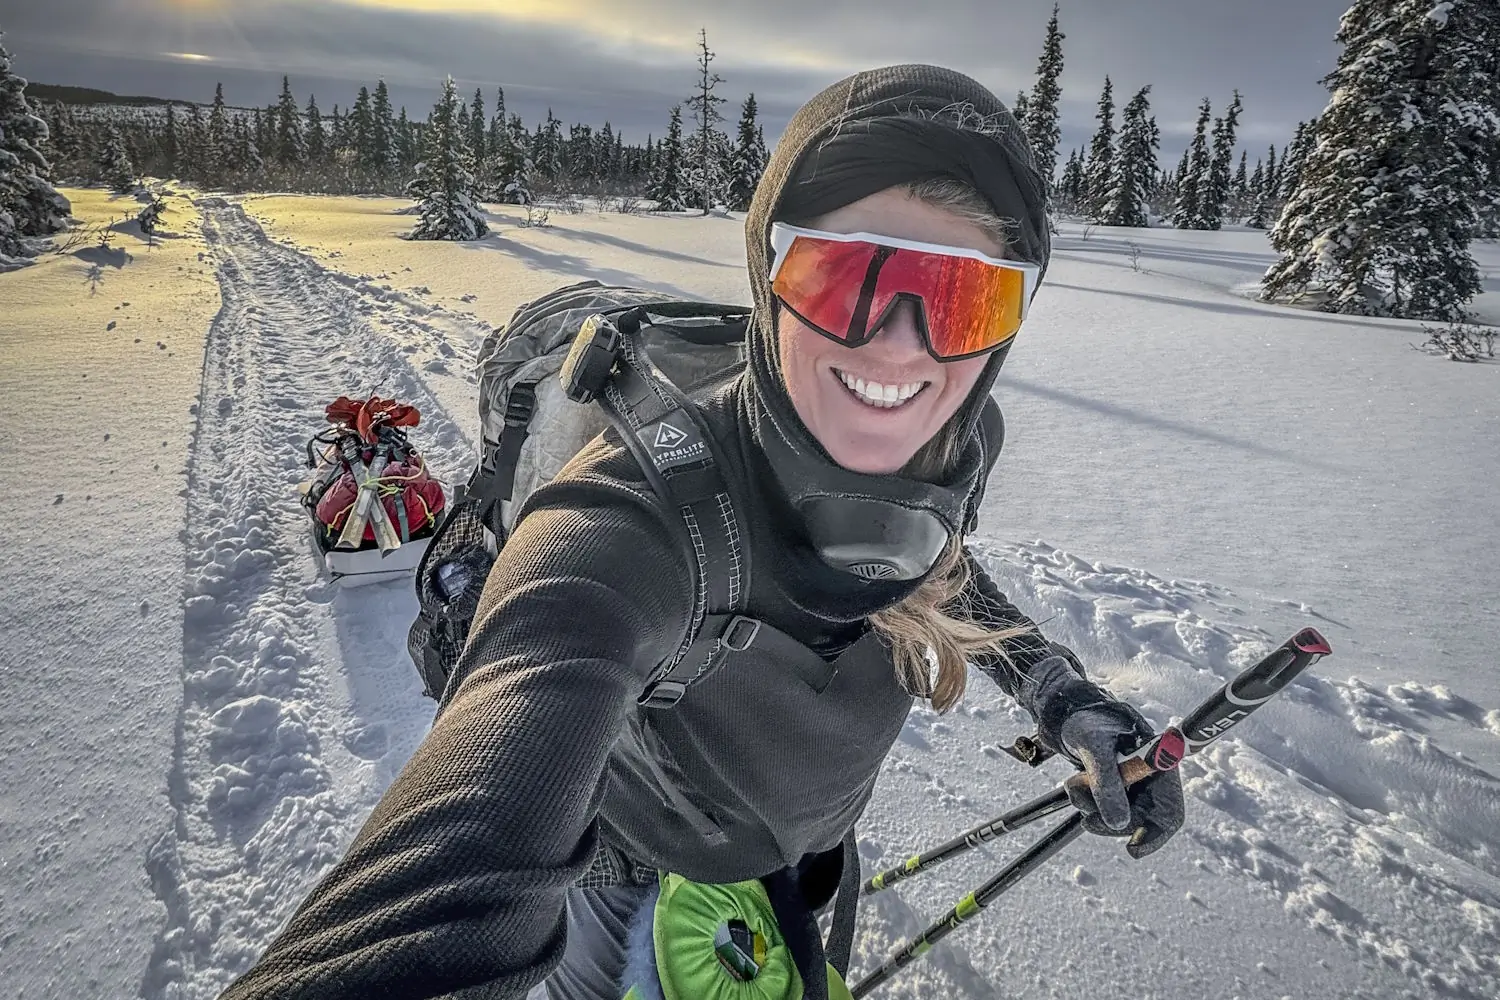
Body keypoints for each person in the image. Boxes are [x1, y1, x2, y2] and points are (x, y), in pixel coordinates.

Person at [220, 64, 1184, 1000]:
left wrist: (1061, 696)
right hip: (623, 889)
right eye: (842, 276)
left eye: (964, 297)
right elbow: (443, 892)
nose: (899, 344)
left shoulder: (947, 451)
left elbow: (936, 577)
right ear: (769, 276)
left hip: (813, 855)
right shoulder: (628, 516)